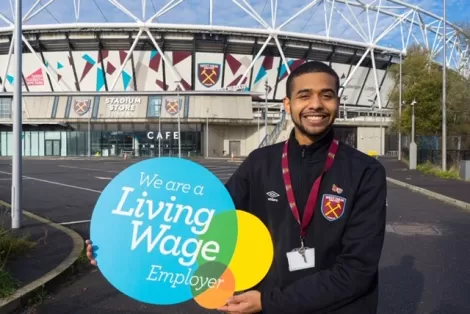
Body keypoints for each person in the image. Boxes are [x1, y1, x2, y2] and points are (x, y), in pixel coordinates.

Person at [86, 60, 387, 314]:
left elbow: (357, 271)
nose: (316, 104)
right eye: (304, 95)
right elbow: (206, 225)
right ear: (287, 105)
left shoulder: (365, 172)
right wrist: (118, 248)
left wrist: (269, 301)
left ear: (337, 102)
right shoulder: (261, 163)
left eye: (327, 95)